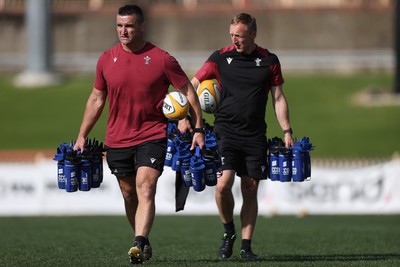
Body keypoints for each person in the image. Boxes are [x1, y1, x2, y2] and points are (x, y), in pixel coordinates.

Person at [73, 4, 204, 264]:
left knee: (146, 187)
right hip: (117, 139)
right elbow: (97, 98)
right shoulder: (105, 59)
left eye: (129, 26)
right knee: (129, 193)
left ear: (142, 26)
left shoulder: (162, 58)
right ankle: (141, 239)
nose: (124, 31)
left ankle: (139, 242)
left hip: (152, 134)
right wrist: (82, 135)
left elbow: (188, 91)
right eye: (120, 26)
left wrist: (197, 126)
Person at [185, 13, 294, 260]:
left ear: (253, 34)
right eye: (232, 35)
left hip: (255, 135)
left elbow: (278, 98)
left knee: (250, 188)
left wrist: (287, 130)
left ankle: (246, 246)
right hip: (225, 132)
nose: (235, 40)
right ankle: (228, 231)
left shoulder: (269, 60)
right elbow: (192, 85)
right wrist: (186, 117)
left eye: (240, 36)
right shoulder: (219, 57)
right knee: (223, 185)